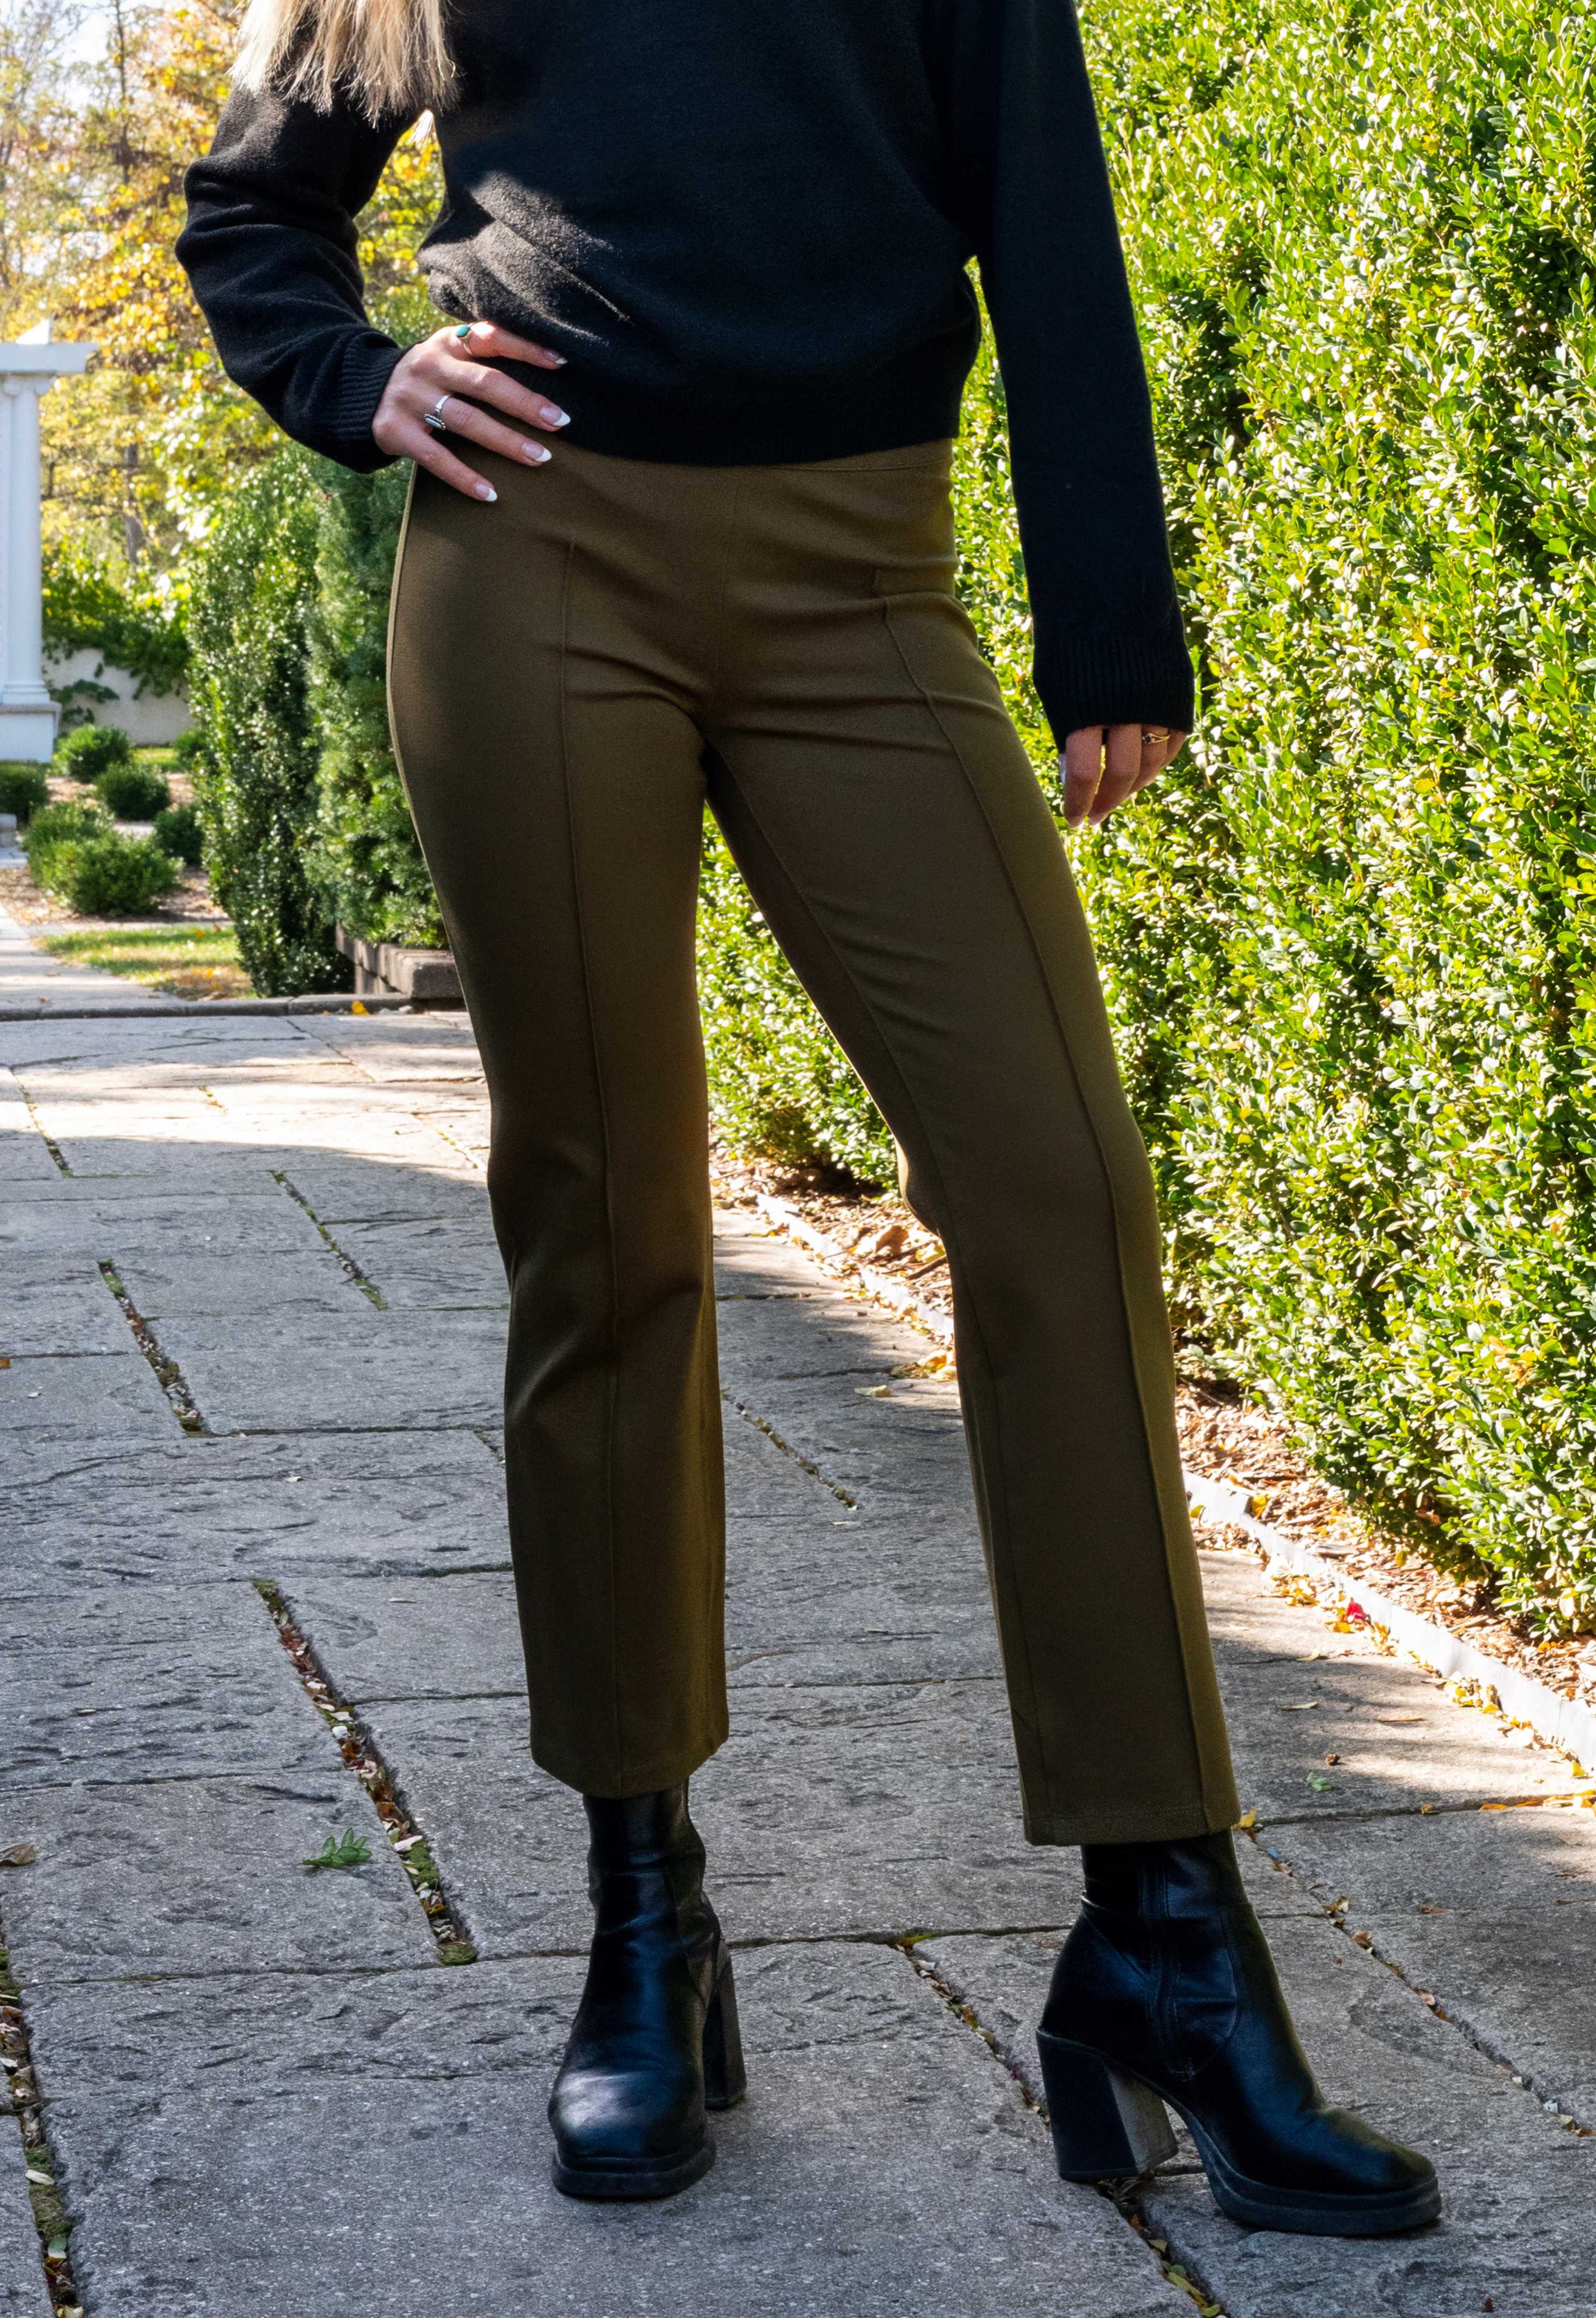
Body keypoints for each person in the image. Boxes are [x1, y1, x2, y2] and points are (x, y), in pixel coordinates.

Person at [176, 0, 1440, 2234]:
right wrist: (359, 381)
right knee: (607, 1227)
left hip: (869, 574)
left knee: (1062, 1195)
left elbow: (1047, 212)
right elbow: (251, 209)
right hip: (534, 554)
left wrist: (1113, 620)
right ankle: (646, 1920)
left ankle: (1166, 1938)